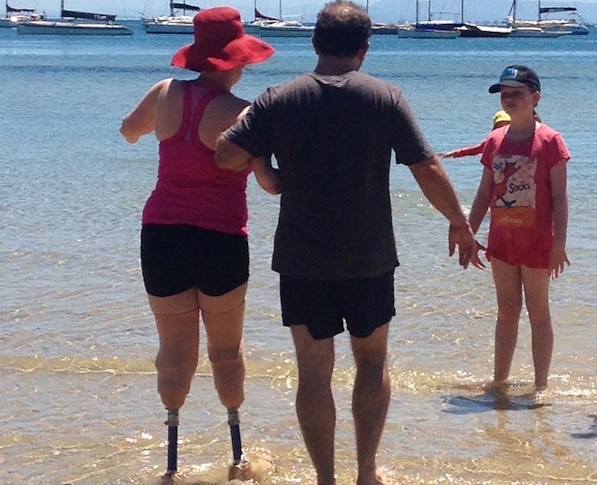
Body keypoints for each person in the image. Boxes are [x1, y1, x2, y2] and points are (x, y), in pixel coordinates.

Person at [213, 2, 479, 484]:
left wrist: (263, 165)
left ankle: (326, 479)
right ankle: (365, 472)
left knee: (314, 371)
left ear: (314, 43)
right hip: (368, 257)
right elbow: (426, 166)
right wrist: (459, 222)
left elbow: (226, 153)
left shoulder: (278, 98)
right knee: (372, 363)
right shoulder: (385, 97)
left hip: (301, 258)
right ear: (365, 48)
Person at [119, 7, 278, 480]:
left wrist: (163, 128)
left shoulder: (165, 94)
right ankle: (237, 458)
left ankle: (171, 466)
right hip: (221, 239)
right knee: (225, 352)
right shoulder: (243, 114)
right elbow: (270, 183)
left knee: (174, 352)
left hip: (162, 235)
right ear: (236, 61)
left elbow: (129, 131)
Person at [467, 65, 570, 391]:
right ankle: (500, 380)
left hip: (538, 241)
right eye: (504, 94)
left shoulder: (550, 140)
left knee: (538, 312)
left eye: (516, 93)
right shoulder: (495, 140)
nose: (509, 99)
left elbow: (560, 198)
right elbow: (484, 193)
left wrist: (559, 244)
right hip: (502, 240)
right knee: (506, 312)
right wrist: (468, 232)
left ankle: (541, 386)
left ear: (535, 97)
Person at [439, 110, 511, 159]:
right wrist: (453, 153)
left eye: (507, 125)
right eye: (500, 126)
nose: (503, 129)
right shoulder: (492, 142)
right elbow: (473, 150)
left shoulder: (520, 139)